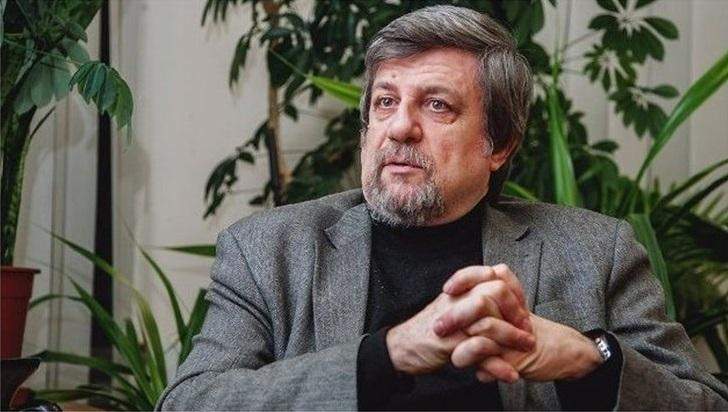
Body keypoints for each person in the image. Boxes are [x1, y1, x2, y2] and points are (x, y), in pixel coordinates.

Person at [158, 5, 728, 410]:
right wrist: (388, 356)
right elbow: (191, 401)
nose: (399, 127)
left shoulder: (594, 251)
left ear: (498, 144)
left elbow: (702, 403)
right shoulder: (270, 250)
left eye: (437, 105)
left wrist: (587, 359)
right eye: (385, 102)